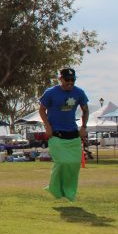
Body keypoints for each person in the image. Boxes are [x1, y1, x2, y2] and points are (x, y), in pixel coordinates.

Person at [39, 67, 90, 202]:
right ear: (60, 79)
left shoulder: (79, 93)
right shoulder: (51, 93)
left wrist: (84, 127)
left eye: (72, 80)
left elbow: (85, 110)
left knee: (73, 164)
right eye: (67, 79)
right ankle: (55, 188)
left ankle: (68, 192)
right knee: (61, 162)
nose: (70, 82)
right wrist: (47, 126)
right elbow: (42, 110)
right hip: (56, 134)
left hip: (72, 133)